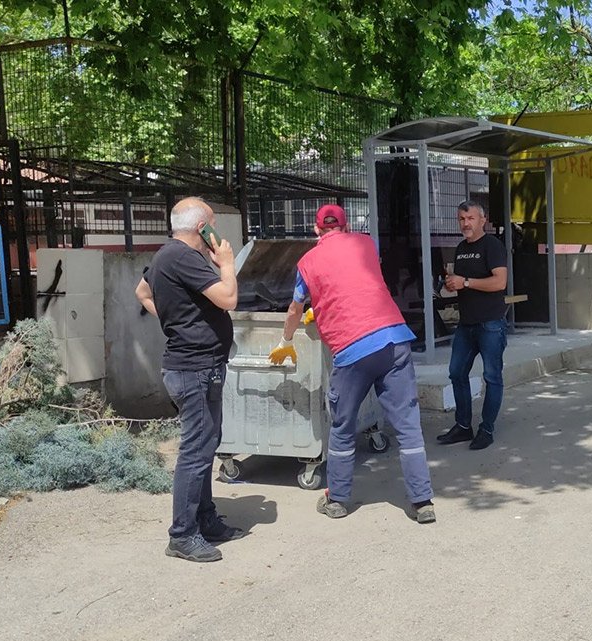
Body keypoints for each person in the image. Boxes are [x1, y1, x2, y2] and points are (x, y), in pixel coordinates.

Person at [270, 204, 435, 523]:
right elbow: (357, 279)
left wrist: (286, 341)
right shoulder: (366, 243)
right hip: (393, 339)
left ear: (315, 230)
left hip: (352, 349)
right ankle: (423, 501)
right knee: (408, 425)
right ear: (345, 227)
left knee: (343, 426)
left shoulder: (307, 263)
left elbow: (294, 310)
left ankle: (338, 500)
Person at [135, 197, 245, 563]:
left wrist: (176, 319)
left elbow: (143, 292)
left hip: (201, 366)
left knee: (206, 445)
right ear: (203, 227)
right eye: (213, 224)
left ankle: (205, 518)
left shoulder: (170, 256)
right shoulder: (182, 256)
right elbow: (228, 298)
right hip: (193, 368)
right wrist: (227, 264)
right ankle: (182, 534)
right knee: (196, 451)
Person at [436, 200, 508, 451]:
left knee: (492, 377)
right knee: (456, 373)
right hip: (466, 325)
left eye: (470, 219)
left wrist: (465, 282)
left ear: (482, 220)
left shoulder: (493, 246)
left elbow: (499, 283)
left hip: (491, 324)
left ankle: (486, 429)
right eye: (461, 219)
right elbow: (461, 282)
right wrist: (451, 285)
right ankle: (463, 427)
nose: (466, 223)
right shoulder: (460, 248)